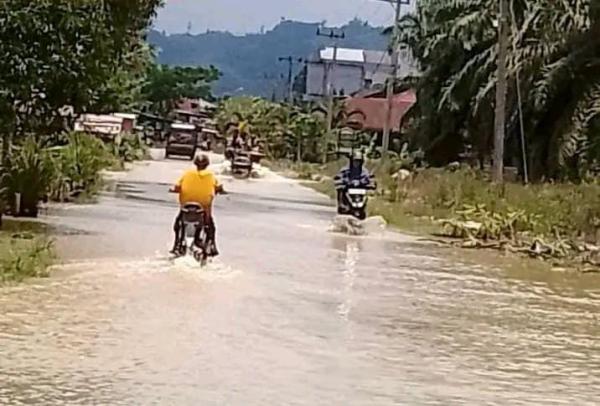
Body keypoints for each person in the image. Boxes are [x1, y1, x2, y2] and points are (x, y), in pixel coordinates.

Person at [170, 154, 224, 256]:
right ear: (207, 164)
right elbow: (219, 187)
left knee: (177, 224)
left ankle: (176, 244)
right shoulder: (211, 176)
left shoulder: (187, 174)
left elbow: (177, 187)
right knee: (211, 226)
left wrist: (173, 190)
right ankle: (212, 245)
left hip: (186, 207)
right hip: (204, 209)